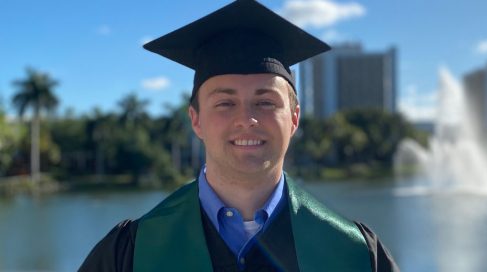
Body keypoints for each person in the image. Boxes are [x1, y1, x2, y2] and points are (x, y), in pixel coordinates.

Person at [78, 0, 399, 271]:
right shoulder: (132, 253)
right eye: (225, 102)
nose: (247, 119)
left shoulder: (353, 253)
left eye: (265, 101)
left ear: (294, 119)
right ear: (197, 120)